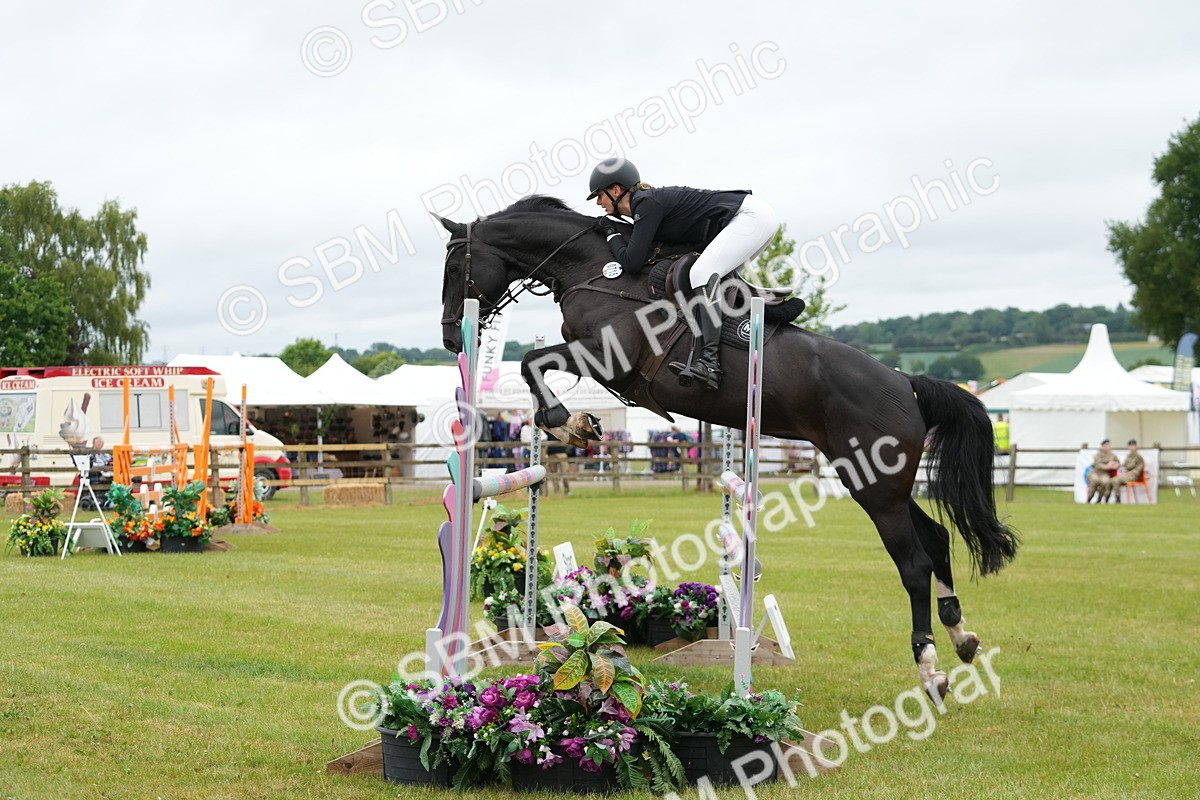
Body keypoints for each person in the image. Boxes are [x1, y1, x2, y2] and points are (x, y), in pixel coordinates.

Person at [587, 157, 779, 391]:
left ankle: (709, 363)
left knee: (701, 273)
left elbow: (632, 262)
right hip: (753, 218)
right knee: (715, 280)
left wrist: (610, 232)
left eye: (599, 195)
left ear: (616, 190)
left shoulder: (646, 203)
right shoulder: (647, 205)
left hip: (750, 218)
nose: (598, 202)